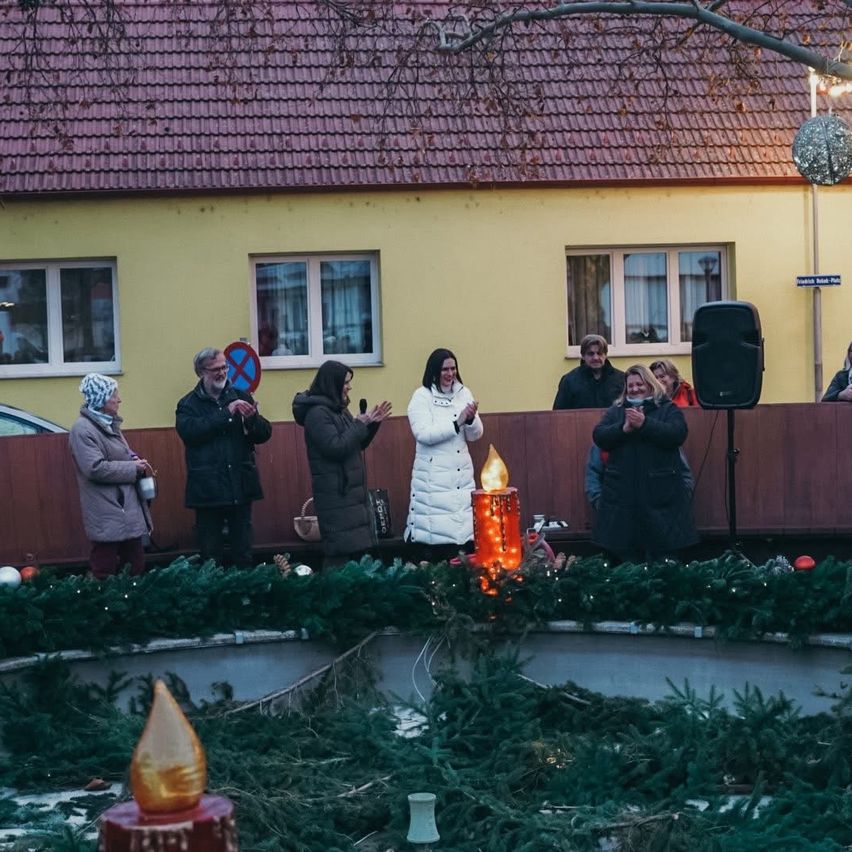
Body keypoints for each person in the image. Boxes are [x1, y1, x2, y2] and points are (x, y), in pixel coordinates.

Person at [176, 347, 272, 569]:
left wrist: (252, 420)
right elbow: (190, 433)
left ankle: (246, 599)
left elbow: (264, 434)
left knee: (243, 553)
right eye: (215, 369)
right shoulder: (188, 404)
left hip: (240, 485)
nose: (222, 373)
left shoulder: (241, 396)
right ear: (201, 372)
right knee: (210, 555)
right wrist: (226, 413)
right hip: (207, 491)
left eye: (224, 367)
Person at [591, 364, 697, 562]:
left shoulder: (667, 408)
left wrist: (645, 424)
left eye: (639, 384)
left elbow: (677, 433)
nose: (634, 389)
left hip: (661, 499)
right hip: (622, 501)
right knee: (626, 562)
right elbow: (599, 435)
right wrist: (623, 429)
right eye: (630, 385)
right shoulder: (616, 411)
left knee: (664, 561)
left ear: (650, 384)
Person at [292, 360, 391, 567]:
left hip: (350, 498)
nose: (349, 387)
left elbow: (355, 444)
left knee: (355, 557)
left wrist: (372, 424)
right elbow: (335, 447)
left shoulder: (338, 410)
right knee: (340, 558)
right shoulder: (317, 414)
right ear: (332, 383)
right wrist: (359, 424)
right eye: (345, 382)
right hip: (336, 498)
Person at [69, 373, 152, 579]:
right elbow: (94, 468)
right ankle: (104, 608)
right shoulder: (82, 430)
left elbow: (119, 455)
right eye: (115, 394)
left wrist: (133, 459)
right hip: (107, 508)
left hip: (123, 507)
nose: (119, 399)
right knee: (105, 568)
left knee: (135, 564)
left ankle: (132, 607)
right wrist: (133, 468)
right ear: (102, 399)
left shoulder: (108, 424)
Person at [404, 348, 483, 553]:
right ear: (434, 371)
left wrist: (472, 420)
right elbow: (423, 434)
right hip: (433, 479)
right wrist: (457, 423)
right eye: (445, 369)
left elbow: (475, 435)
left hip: (461, 476)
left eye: (453, 368)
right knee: (436, 539)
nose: (450, 374)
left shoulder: (464, 393)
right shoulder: (421, 397)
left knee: (463, 537)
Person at [553, 334, 624, 410]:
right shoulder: (569, 381)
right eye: (591, 354)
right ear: (583, 356)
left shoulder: (621, 379)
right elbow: (558, 413)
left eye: (599, 353)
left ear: (605, 355)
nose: (595, 358)